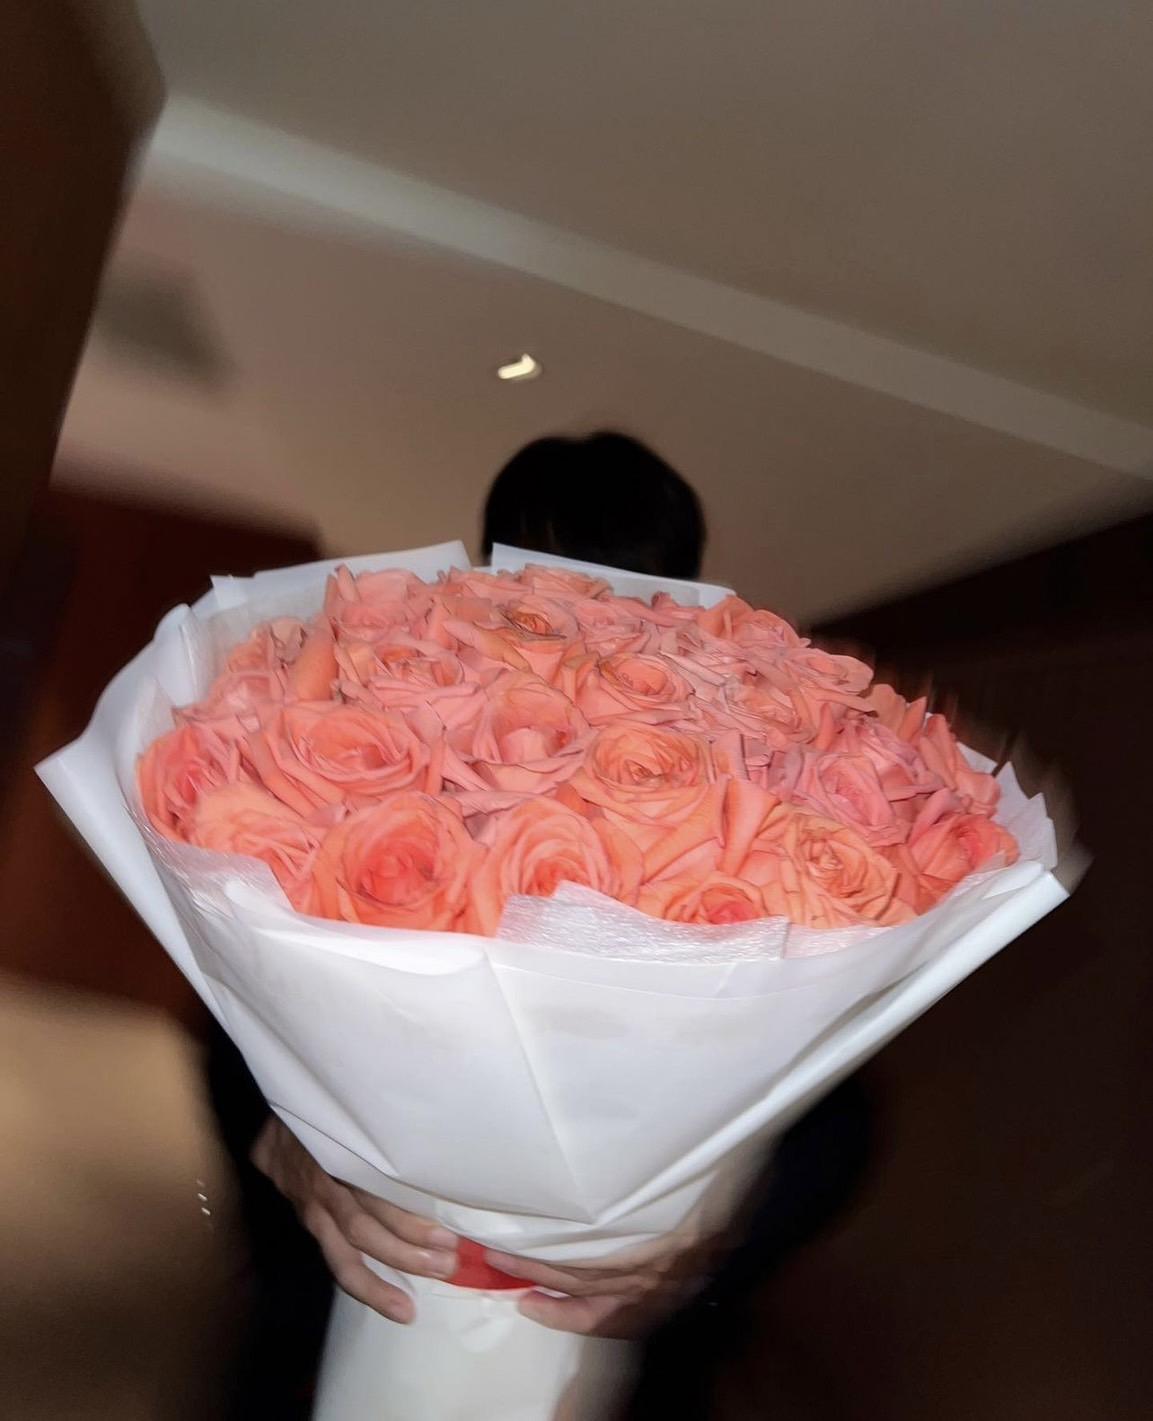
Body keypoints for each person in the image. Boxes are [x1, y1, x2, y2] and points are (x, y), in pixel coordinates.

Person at [232, 431, 870, 1409]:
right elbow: (240, 982)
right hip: (351, 1293)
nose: (578, 621)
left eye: (622, 592)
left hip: (606, 1359)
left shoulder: (747, 799)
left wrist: (707, 1240)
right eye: (539, 585)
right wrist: (284, 1132)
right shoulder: (382, 736)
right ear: (487, 577)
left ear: (678, 607)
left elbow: (835, 1107)